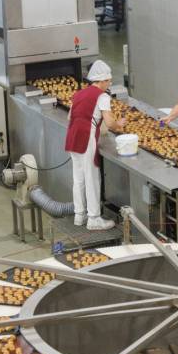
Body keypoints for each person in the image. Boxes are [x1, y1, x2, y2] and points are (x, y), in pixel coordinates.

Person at [65, 60, 126, 230]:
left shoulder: (78, 94)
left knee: (78, 179)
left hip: (72, 138)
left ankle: (79, 215)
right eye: (109, 80)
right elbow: (110, 122)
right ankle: (93, 219)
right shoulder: (102, 96)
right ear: (102, 81)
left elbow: (70, 117)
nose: (109, 84)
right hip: (86, 139)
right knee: (92, 177)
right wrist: (119, 124)